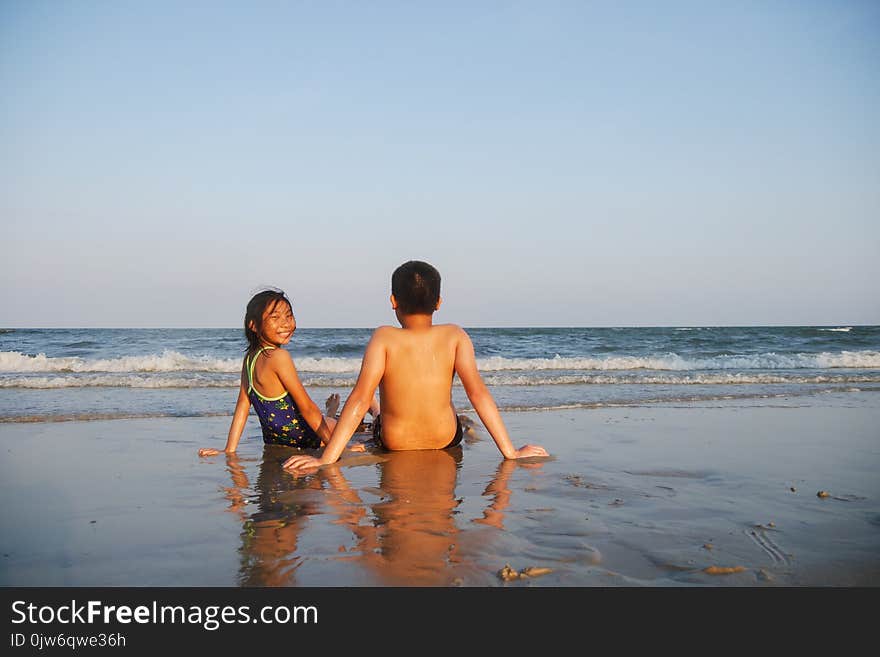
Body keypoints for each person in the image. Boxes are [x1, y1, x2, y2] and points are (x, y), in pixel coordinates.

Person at [283, 261, 548, 471]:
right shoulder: (455, 335)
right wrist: (510, 452)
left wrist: (327, 459)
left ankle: (379, 409)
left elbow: (359, 398)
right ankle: (387, 410)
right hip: (445, 439)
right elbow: (478, 393)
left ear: (393, 301)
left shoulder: (383, 337)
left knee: (374, 407)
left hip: (395, 443)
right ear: (438, 302)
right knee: (453, 408)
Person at [198, 288, 377, 456]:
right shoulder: (279, 357)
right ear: (253, 325)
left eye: (289, 316)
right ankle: (362, 409)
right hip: (312, 439)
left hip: (279, 442)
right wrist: (338, 449)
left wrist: (229, 450)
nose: (286, 323)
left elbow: (242, 407)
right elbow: (307, 408)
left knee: (345, 423)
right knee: (360, 426)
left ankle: (339, 410)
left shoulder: (249, 359)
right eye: (275, 317)